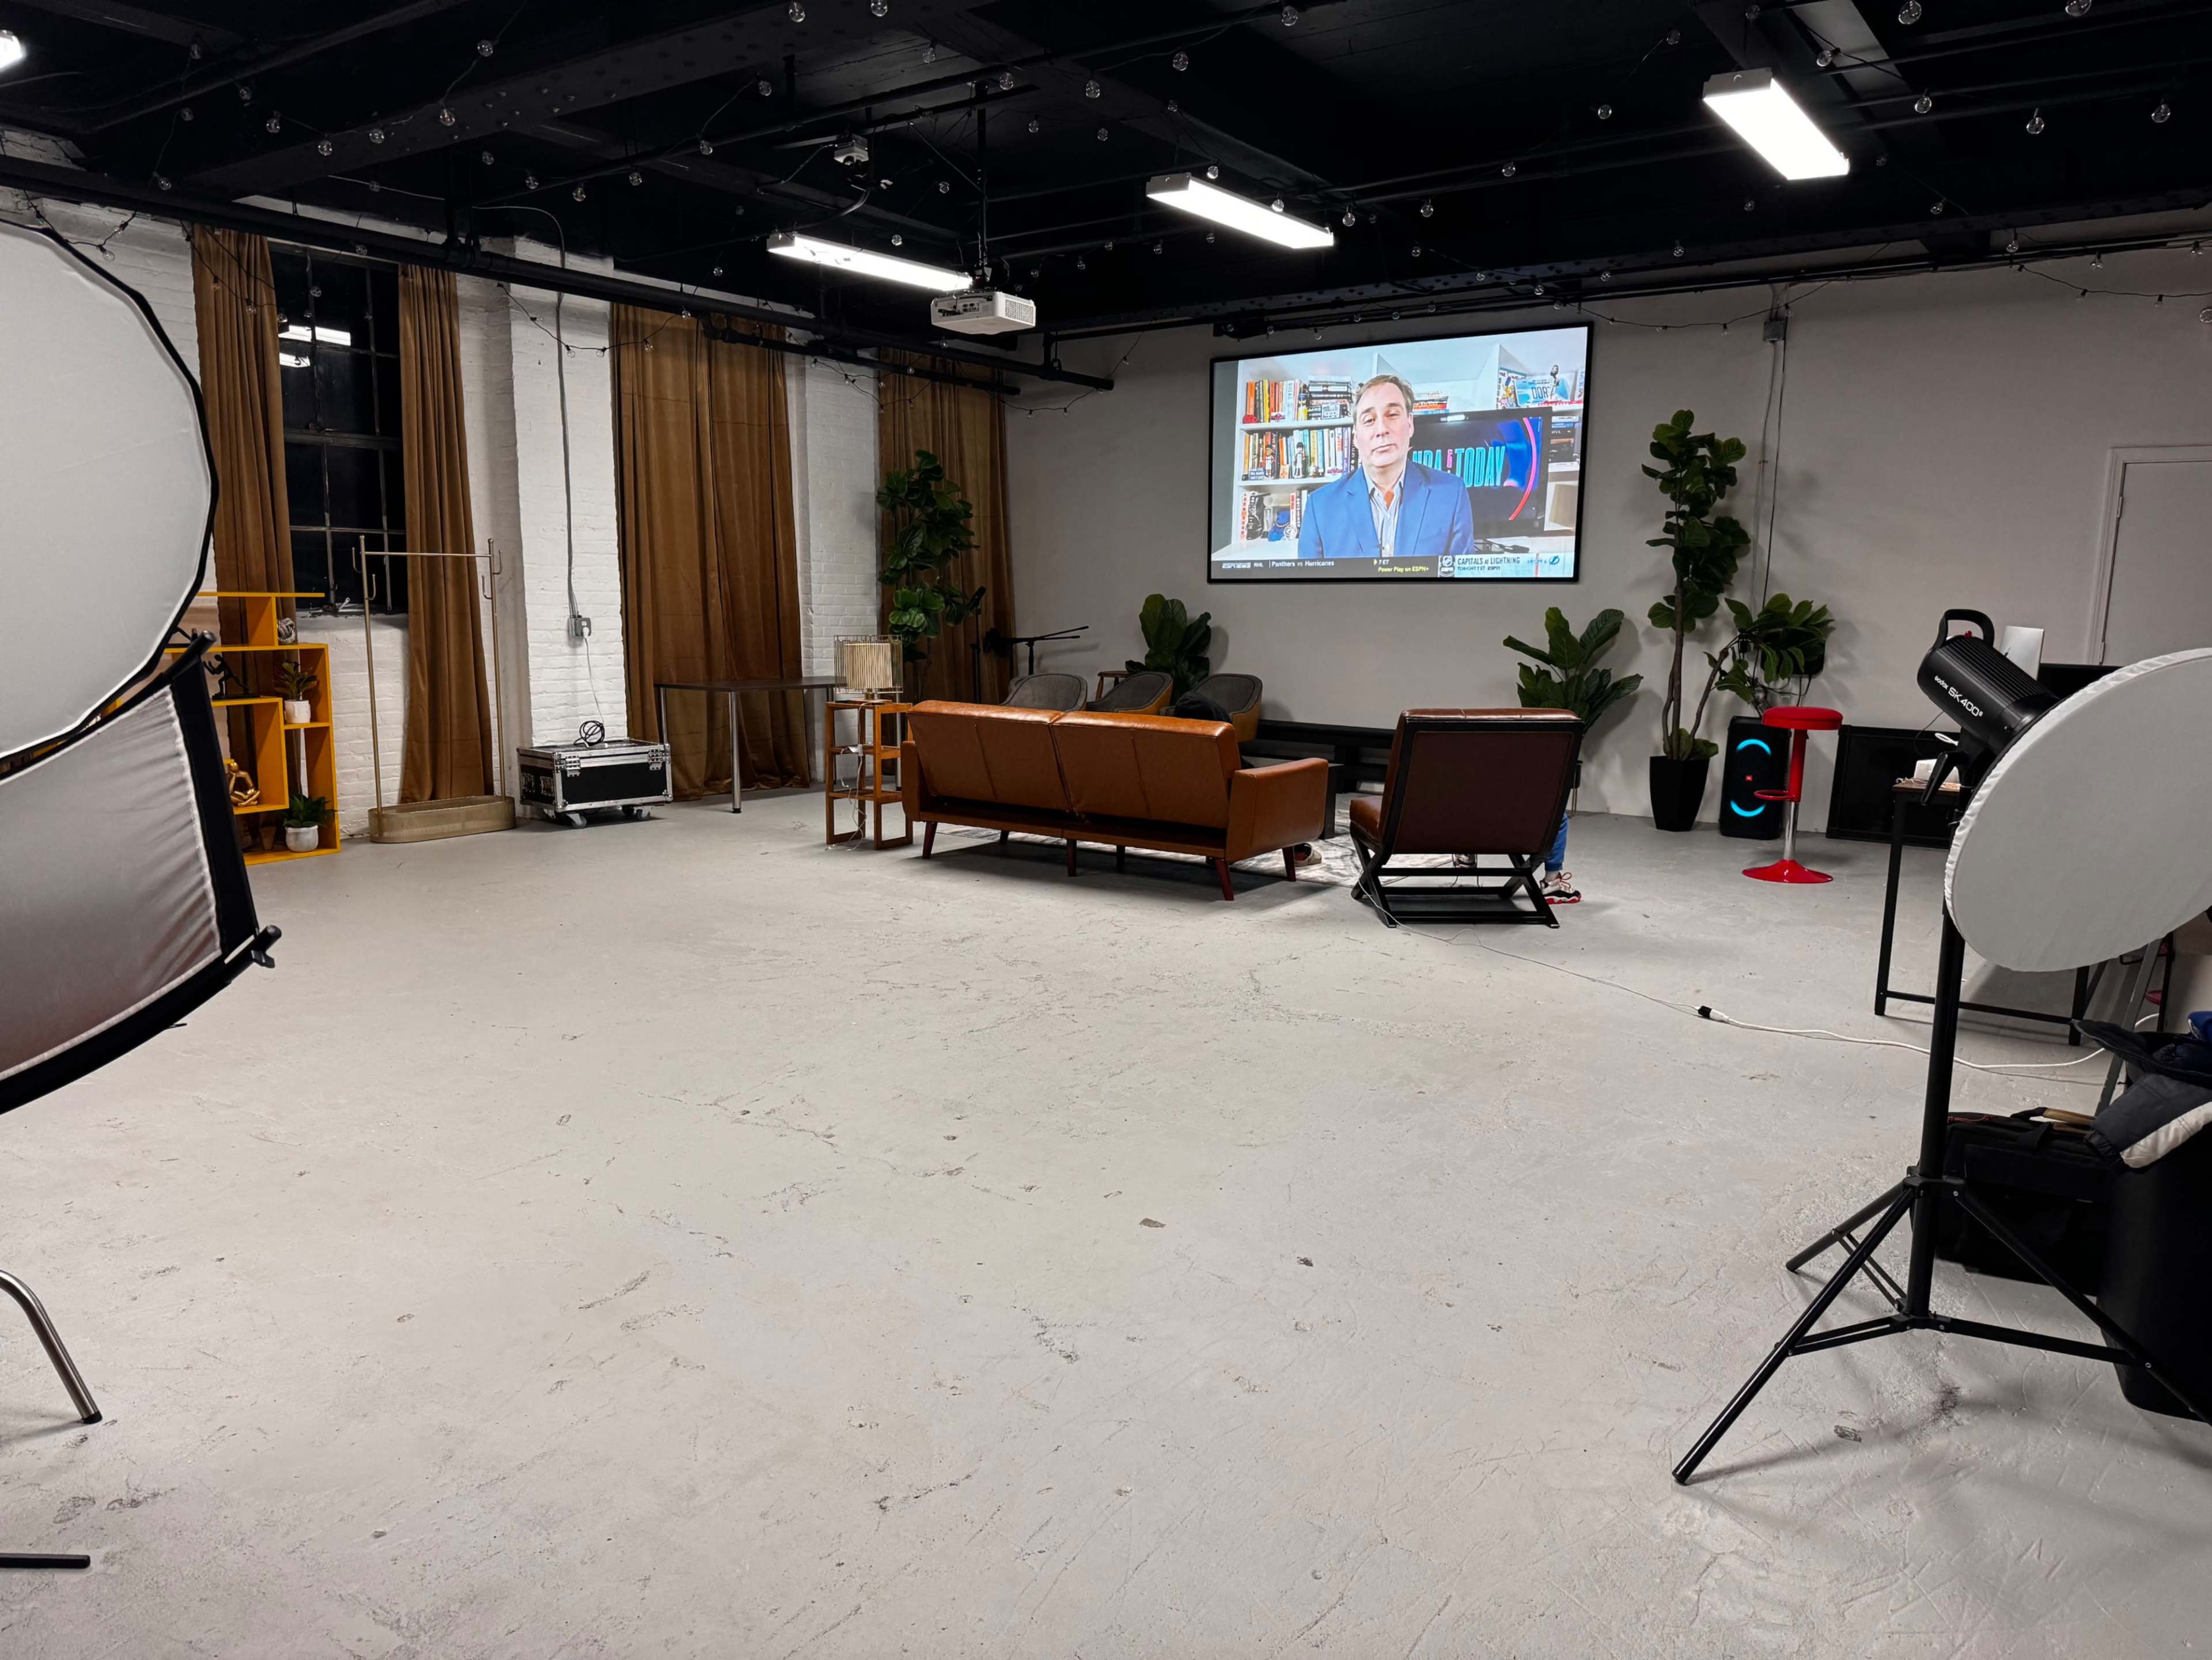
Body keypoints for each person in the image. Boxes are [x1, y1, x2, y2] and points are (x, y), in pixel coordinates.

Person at [1296, 373, 1475, 565]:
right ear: (1356, 438)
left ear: (1410, 424)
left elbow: (1462, 584)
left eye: (1392, 415)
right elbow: (1311, 591)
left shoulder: (1451, 493)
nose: (1382, 429)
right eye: (1369, 420)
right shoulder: (1320, 506)